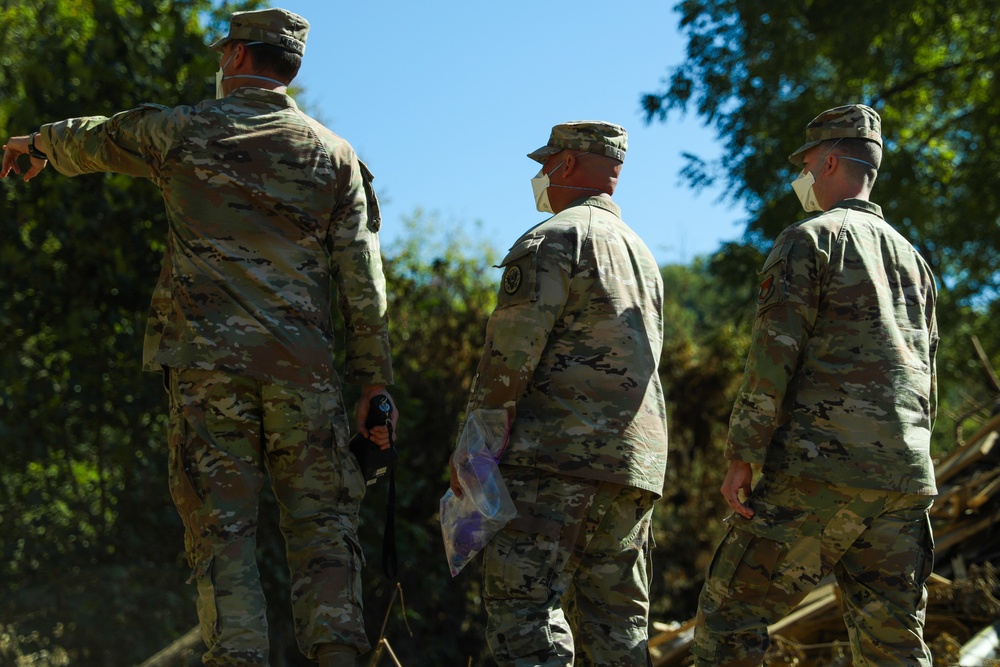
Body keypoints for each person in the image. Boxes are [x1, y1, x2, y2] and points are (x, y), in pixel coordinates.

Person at [2, 8, 396, 667]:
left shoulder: (183, 131)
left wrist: (37, 142)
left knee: (223, 534)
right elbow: (364, 280)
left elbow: (105, 136)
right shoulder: (336, 156)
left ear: (239, 58)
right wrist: (375, 384)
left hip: (207, 371)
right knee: (324, 531)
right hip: (305, 376)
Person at [691, 104, 938, 666]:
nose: (801, 176)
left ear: (828, 161)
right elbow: (929, 378)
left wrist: (742, 457)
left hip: (822, 468)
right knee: (894, 644)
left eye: (804, 164)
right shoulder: (914, 260)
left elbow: (772, 357)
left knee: (729, 615)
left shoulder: (808, 240)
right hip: (904, 478)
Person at [450, 121, 669, 666]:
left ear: (566, 165)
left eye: (545, 164)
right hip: (632, 470)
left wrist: (474, 451)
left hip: (553, 462)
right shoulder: (642, 254)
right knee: (619, 630)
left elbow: (508, 359)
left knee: (524, 620)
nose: (540, 176)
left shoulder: (551, 239)